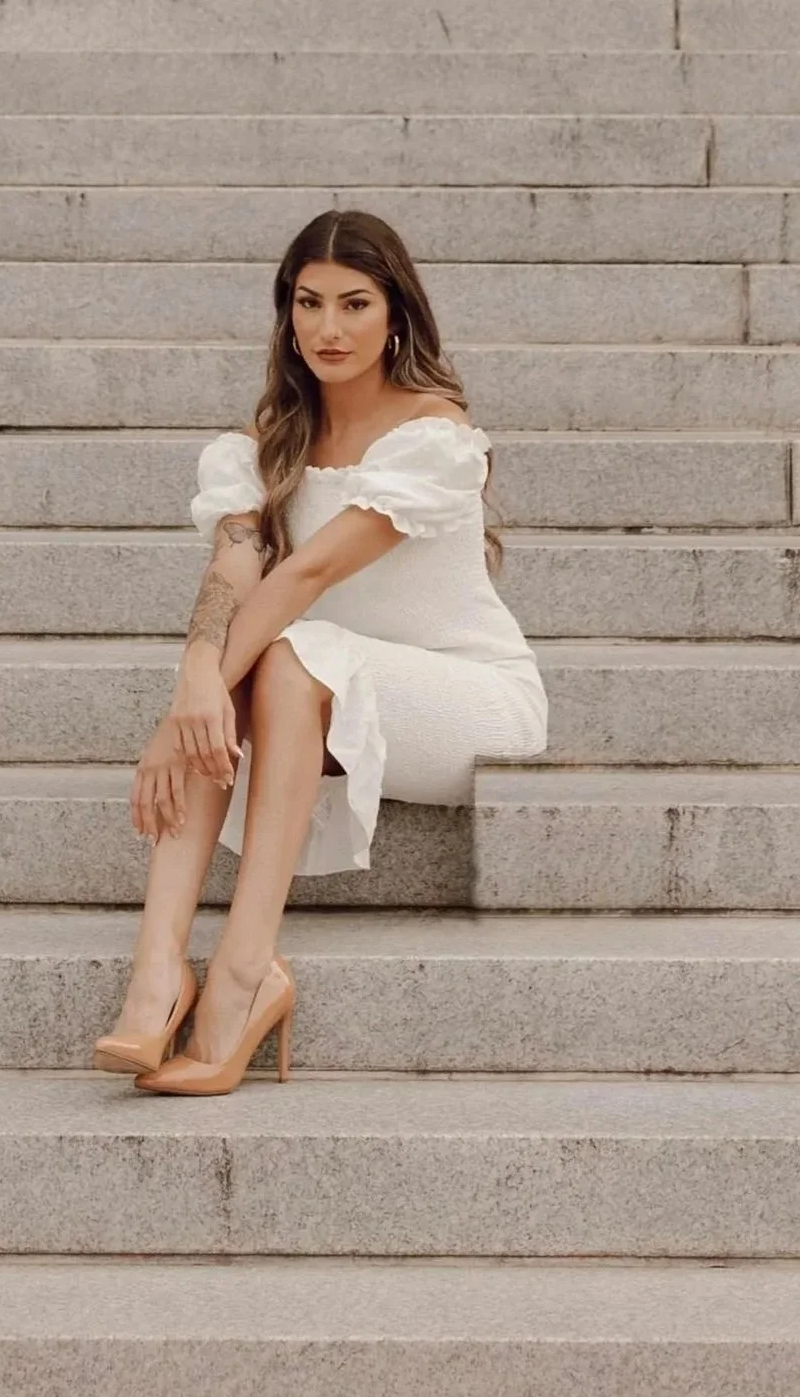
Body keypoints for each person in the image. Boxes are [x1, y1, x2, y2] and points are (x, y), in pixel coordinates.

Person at [92, 209, 549, 1096]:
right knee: (237, 669)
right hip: (320, 683)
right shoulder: (263, 449)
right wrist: (191, 684)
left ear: (396, 317)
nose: (328, 329)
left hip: (465, 699)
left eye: (354, 303)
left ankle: (243, 970)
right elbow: (235, 573)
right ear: (285, 314)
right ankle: (156, 977)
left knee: (285, 652)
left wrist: (179, 711)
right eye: (308, 303)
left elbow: (303, 574)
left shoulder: (436, 440)